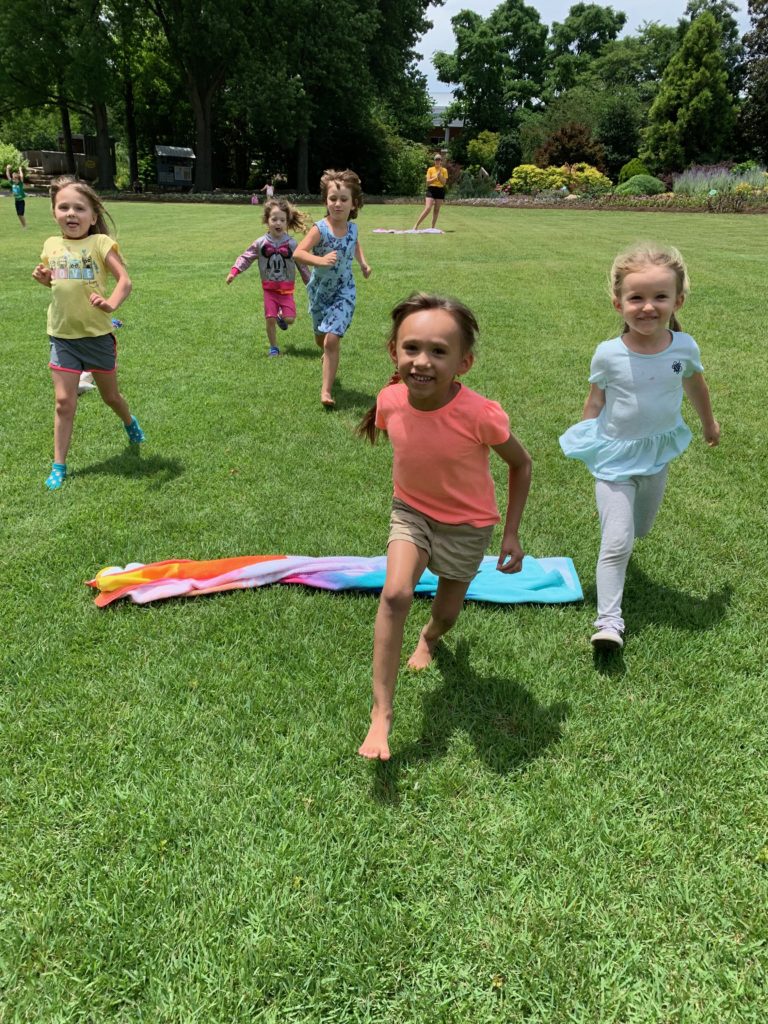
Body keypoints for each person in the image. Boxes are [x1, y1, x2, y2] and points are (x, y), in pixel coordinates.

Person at [357, 293, 532, 760]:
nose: (422, 361)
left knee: (447, 614)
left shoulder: (479, 414)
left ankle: (428, 639)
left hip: (467, 527)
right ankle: (381, 716)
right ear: (394, 350)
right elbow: (394, 426)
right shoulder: (390, 398)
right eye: (411, 348)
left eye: (439, 351)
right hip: (411, 513)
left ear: (464, 362)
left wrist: (511, 532)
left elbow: (522, 465)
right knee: (394, 594)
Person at [559, 243, 720, 651]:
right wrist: (585, 435)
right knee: (616, 542)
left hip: (657, 452)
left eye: (660, 297)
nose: (648, 307)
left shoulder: (684, 348)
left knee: (639, 530)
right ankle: (608, 622)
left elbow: (694, 384)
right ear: (618, 303)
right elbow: (595, 399)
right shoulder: (609, 354)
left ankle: (625, 532)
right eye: (637, 298)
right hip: (613, 455)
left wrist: (709, 422)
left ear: (678, 300)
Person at [32, 175, 144, 491]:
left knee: (111, 397)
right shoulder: (51, 245)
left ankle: (129, 422)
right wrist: (44, 278)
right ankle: (59, 465)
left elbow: (125, 281)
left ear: (93, 216)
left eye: (79, 208)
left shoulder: (100, 243)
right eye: (63, 207)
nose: (71, 214)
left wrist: (110, 304)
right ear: (54, 212)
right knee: (64, 402)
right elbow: (57, 282)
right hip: (62, 336)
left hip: (96, 337)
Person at [294, 169, 371, 408]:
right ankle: (326, 355)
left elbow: (355, 244)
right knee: (321, 339)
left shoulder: (353, 229)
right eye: (332, 199)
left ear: (354, 203)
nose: (337, 204)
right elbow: (298, 253)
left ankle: (326, 391)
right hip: (320, 291)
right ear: (326, 201)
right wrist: (321, 260)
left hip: (344, 290)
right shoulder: (320, 229)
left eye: (343, 200)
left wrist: (363, 263)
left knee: (331, 340)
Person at [226, 197, 310, 356]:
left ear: (287, 222)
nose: (278, 223)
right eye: (274, 219)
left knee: (290, 319)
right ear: (267, 220)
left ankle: (281, 317)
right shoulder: (260, 243)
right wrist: (234, 271)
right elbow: (246, 257)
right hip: (269, 290)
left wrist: (310, 284)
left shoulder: (292, 244)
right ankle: (274, 347)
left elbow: (302, 265)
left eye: (282, 220)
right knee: (269, 318)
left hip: (286, 291)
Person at [413, 153, 448, 231]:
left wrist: (440, 176)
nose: (437, 161)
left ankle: (433, 227)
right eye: (436, 159)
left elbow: (444, 183)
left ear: (441, 161)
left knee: (436, 209)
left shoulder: (444, 170)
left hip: (440, 190)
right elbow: (428, 182)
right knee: (428, 208)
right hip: (431, 189)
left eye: (439, 159)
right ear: (434, 161)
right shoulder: (430, 169)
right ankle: (416, 225)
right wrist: (436, 177)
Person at [6, 164, 27, 228]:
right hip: (16, 201)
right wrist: (7, 169)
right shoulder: (13, 183)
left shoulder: (20, 184)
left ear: (18, 179)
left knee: (21, 214)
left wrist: (20, 170)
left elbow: (21, 176)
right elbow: (8, 176)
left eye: (15, 179)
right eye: (13, 179)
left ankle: (25, 226)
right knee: (18, 215)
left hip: (21, 201)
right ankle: (23, 225)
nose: (14, 180)